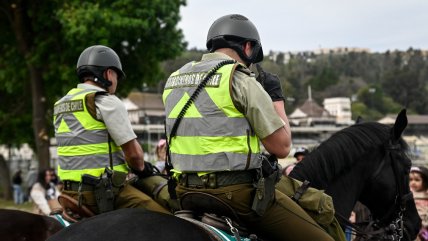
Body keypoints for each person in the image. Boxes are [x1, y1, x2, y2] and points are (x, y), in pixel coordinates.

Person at [163, 14, 340, 241]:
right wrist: (276, 99)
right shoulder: (239, 79)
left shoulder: (174, 80)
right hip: (234, 194)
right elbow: (282, 147)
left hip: (184, 192)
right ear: (247, 47)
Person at [53, 45, 169, 215]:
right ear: (108, 74)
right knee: (165, 220)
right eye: (116, 75)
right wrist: (143, 169)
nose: (117, 81)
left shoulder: (60, 104)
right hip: (104, 193)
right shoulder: (106, 101)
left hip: (70, 192)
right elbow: (135, 157)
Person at [410, 166, 428, 241]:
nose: (413, 182)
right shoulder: (407, 195)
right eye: (410, 180)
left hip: (424, 230)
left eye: (417, 180)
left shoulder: (426, 195)